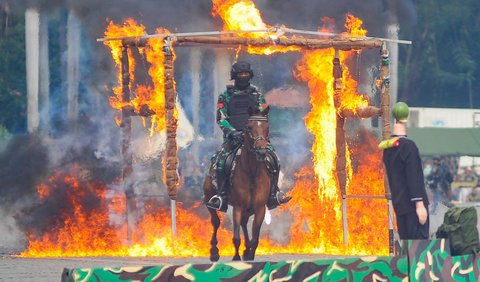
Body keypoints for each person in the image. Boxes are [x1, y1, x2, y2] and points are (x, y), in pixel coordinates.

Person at [206, 61, 292, 212]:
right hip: (233, 138)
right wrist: (232, 132)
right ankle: (221, 196)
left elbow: (264, 114)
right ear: (235, 76)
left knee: (274, 159)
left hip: (256, 138)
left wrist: (257, 132)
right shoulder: (225, 96)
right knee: (220, 161)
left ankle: (273, 194)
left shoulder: (257, 95)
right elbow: (221, 118)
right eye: (240, 74)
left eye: (246, 74)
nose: (243, 77)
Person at [380, 102, 429, 239]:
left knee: (406, 246)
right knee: (418, 248)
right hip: (412, 207)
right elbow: (414, 176)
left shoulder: (388, 149)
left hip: (399, 205)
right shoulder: (409, 147)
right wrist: (419, 205)